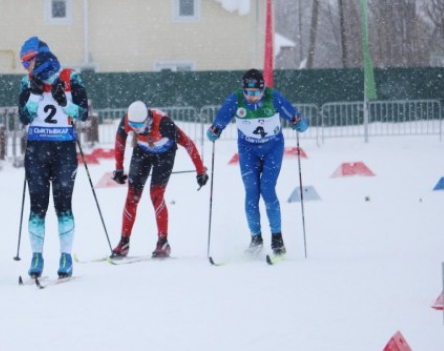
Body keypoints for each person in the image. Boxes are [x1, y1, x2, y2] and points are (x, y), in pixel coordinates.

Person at [206, 69, 309, 257]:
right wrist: (214, 131)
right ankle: (256, 239)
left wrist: (300, 123)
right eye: (248, 93)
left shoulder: (273, 97)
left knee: (268, 190)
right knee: (251, 193)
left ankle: (277, 239)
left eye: (255, 93)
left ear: (263, 89)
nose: (251, 97)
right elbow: (220, 120)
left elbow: (294, 115)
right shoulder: (236, 99)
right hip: (248, 150)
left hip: (273, 148)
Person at [18, 36, 89, 279]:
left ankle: (66, 256)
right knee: (37, 206)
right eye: (22, 63)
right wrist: (35, 97)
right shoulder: (26, 81)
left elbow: (84, 113)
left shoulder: (71, 77)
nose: (25, 67)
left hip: (64, 150)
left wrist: (64, 103)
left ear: (39, 57)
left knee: (63, 206)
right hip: (36, 149)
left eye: (27, 61)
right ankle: (36, 255)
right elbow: (24, 117)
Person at [110, 101, 208, 259]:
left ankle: (163, 241)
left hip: (164, 155)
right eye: (132, 125)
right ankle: (124, 241)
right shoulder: (127, 121)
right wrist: (119, 168)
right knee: (132, 195)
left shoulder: (164, 124)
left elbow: (188, 143)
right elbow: (119, 142)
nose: (135, 129)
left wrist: (200, 170)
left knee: (156, 194)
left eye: (139, 125)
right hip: (142, 151)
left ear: (147, 119)